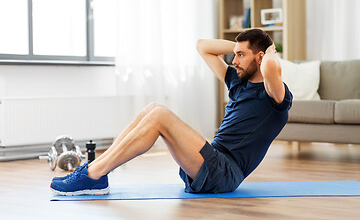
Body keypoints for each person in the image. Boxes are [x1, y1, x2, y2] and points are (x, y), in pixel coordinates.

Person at [50, 29, 292, 195]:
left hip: (224, 174)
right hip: (207, 164)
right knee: (152, 109)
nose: (234, 60)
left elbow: (271, 67)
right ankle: (95, 169)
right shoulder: (238, 81)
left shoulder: (274, 95)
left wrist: (267, 51)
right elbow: (203, 46)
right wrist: (241, 46)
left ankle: (94, 176)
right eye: (235, 55)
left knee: (160, 116)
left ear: (260, 58)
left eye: (240, 55)